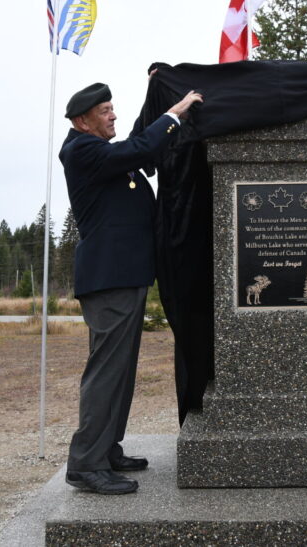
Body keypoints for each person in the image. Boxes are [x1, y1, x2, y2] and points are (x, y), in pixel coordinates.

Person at [60, 81, 203, 495]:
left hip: (125, 276)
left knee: (120, 372)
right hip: (110, 279)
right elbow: (138, 149)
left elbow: (141, 141)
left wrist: (156, 91)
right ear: (82, 120)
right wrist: (174, 112)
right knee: (107, 371)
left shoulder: (101, 150)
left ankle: (106, 450)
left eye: (112, 108)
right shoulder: (83, 150)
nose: (113, 116)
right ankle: (86, 464)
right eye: (105, 110)